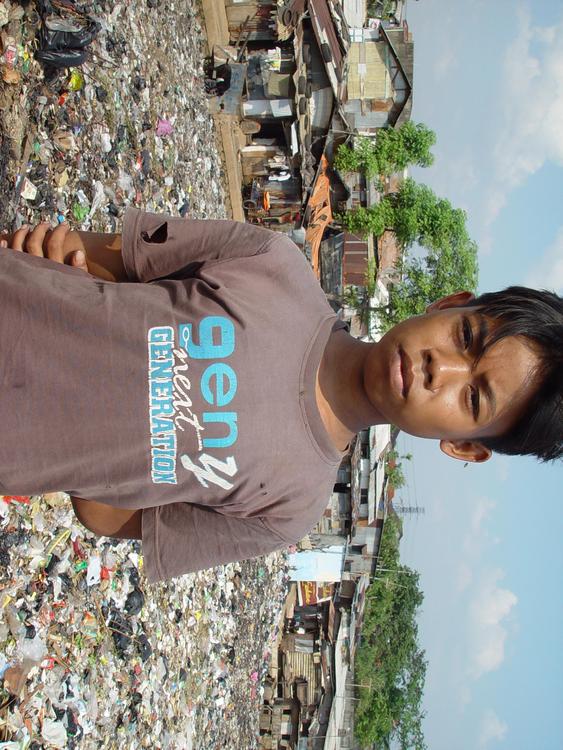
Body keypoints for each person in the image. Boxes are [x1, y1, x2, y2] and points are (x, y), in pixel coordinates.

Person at [0, 213, 561, 583]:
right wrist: (60, 259)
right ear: (448, 304)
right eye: (466, 337)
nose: (444, 368)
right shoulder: (271, 262)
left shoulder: (288, 511)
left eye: (473, 397)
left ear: (464, 446)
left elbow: (109, 516)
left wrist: (101, 443)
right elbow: (102, 256)